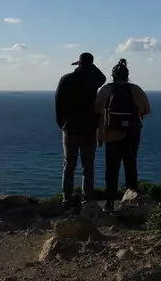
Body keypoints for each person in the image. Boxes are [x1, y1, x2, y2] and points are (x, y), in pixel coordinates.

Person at [95, 59, 150, 213]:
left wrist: (99, 135)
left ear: (113, 75)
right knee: (130, 165)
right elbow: (146, 109)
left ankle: (109, 202)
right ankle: (132, 200)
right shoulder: (135, 90)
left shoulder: (106, 90)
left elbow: (97, 110)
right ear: (127, 75)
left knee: (111, 168)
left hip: (112, 134)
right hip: (132, 133)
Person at [55, 52, 106, 209]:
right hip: (89, 128)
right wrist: (91, 66)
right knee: (88, 166)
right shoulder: (92, 81)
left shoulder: (66, 79)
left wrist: (61, 123)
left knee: (68, 165)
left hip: (70, 128)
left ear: (78, 64)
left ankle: (66, 199)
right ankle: (87, 199)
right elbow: (102, 78)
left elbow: (58, 102)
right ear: (90, 65)